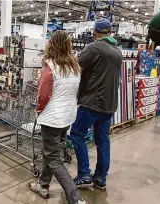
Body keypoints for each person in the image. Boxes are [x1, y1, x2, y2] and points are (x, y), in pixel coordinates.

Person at [28, 30, 86, 204]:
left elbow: (43, 94)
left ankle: (74, 197)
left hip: (52, 117)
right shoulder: (74, 65)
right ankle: (43, 185)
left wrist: (38, 111)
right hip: (67, 116)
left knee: (53, 157)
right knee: (51, 151)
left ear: (51, 44)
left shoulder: (50, 65)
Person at [69, 18, 123, 190]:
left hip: (92, 102)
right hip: (109, 104)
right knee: (103, 140)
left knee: (77, 134)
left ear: (95, 33)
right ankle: (100, 178)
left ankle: (84, 174)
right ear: (110, 32)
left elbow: (75, 66)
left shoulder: (95, 47)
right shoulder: (117, 50)